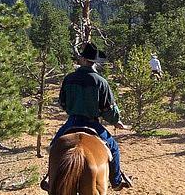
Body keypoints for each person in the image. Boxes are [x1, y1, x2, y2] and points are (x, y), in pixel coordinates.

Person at [40, 43, 133, 191]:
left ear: (83, 59)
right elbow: (110, 110)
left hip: (72, 121)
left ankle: (51, 179)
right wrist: (116, 121)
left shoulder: (69, 79)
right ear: (94, 62)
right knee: (114, 148)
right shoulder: (101, 82)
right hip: (92, 123)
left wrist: (74, 106)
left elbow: (62, 103)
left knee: (54, 146)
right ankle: (115, 182)